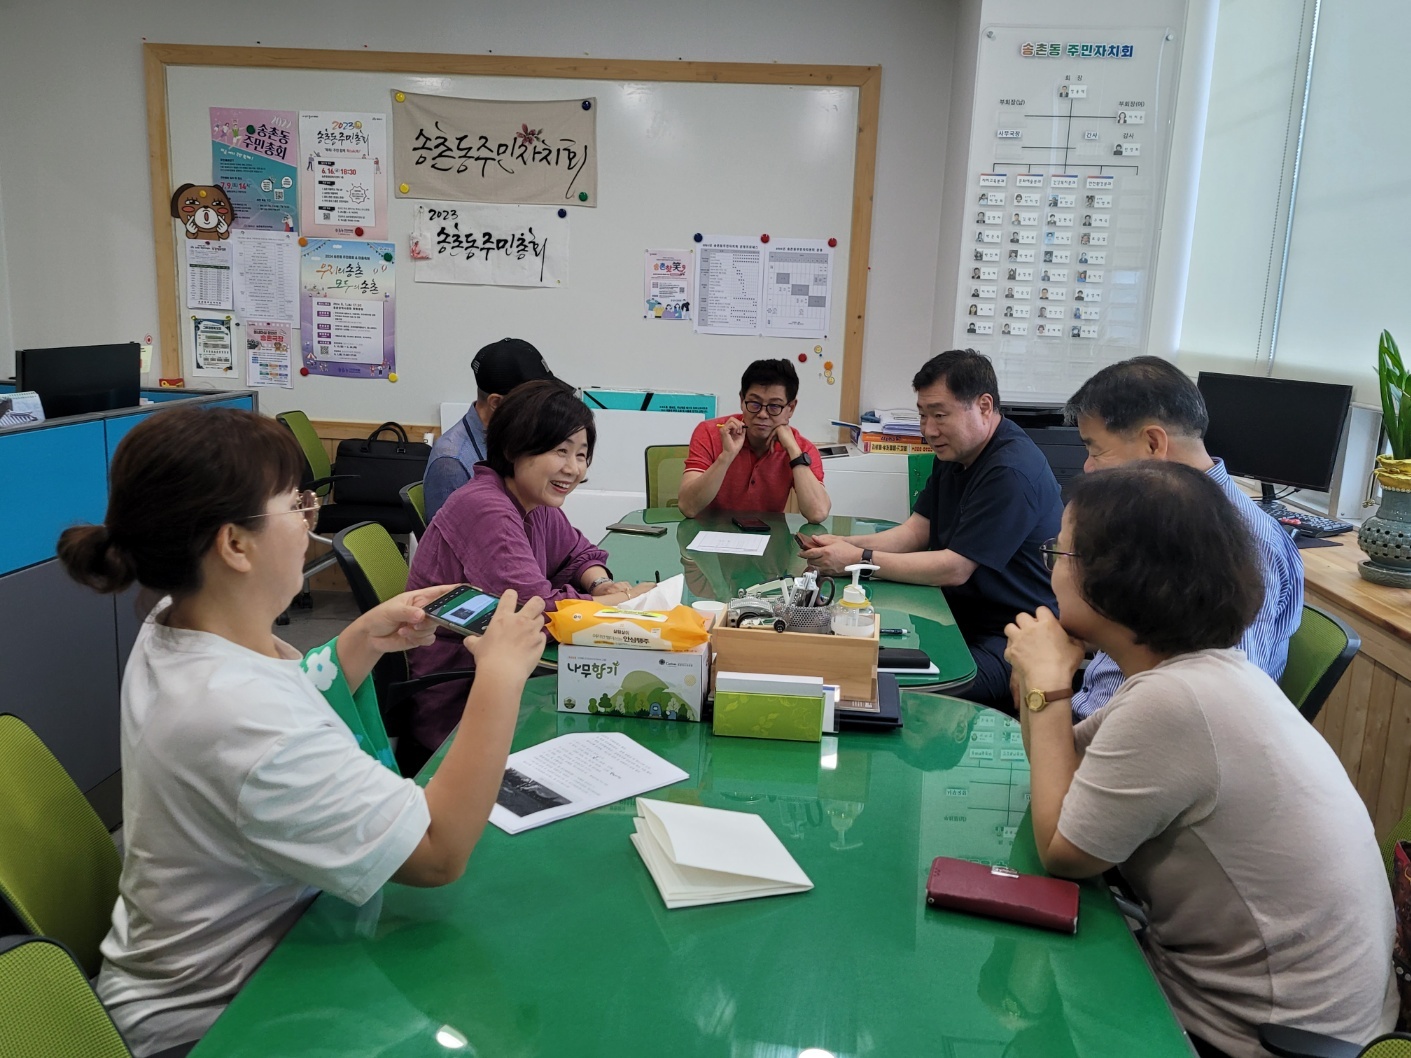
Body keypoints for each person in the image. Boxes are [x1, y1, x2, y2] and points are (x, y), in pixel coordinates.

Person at [55, 407, 548, 1058]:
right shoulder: (237, 716)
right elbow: (436, 851)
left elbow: (284, 696)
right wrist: (501, 678)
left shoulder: (177, 621)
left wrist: (360, 639)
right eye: (296, 503)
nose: (311, 520)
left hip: (228, 959)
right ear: (235, 544)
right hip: (216, 1021)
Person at [1003, 462, 1396, 1058]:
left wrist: (1049, 687)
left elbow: (1063, 852)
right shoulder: (1201, 675)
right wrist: (1039, 683)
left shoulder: (1174, 702)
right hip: (1286, 1009)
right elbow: (1063, 767)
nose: (1050, 569)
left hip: (1261, 1037)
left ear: (1113, 579)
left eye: (1059, 553)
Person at [406, 380, 654, 765]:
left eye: (582, 454)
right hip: (461, 700)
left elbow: (578, 552)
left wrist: (601, 584)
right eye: (560, 451)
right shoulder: (486, 509)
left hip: (504, 675)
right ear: (513, 448)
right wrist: (625, 600)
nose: (573, 468)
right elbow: (534, 615)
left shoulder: (533, 501)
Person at [800, 350, 1062, 709]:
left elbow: (955, 568)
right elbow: (914, 532)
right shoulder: (956, 451)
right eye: (923, 415)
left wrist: (856, 559)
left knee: (889, 693)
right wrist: (842, 543)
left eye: (939, 415)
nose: (929, 430)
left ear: (984, 406)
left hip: (1011, 638)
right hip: (954, 619)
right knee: (853, 664)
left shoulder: (1010, 471)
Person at [1063, 356, 1302, 719]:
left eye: (1096, 449)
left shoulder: (1240, 541)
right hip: (1101, 716)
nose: (1088, 466)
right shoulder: (1155, 517)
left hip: (1138, 735)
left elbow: (1218, 704)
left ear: (1153, 444)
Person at [678, 358, 830, 523]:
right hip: (709, 533)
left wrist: (793, 450)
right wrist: (726, 456)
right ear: (742, 401)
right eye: (755, 403)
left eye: (774, 406)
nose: (763, 414)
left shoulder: (802, 448)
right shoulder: (710, 432)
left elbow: (818, 513)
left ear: (791, 408)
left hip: (768, 536)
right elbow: (688, 507)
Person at [422, 337, 555, 521]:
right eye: (533, 401)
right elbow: (450, 538)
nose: (542, 409)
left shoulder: (512, 440)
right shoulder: (451, 463)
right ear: (496, 403)